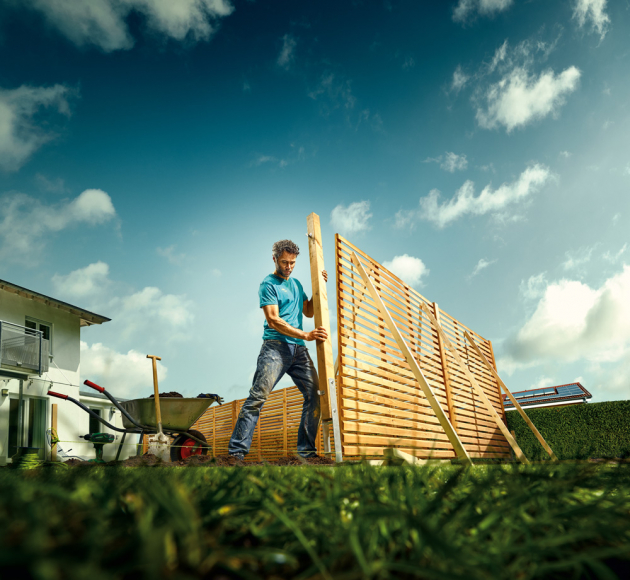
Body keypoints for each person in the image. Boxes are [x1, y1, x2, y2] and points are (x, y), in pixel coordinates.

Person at [228, 239, 328, 460]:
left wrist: (318, 285)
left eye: (292, 263)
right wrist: (306, 335)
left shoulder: (297, 284)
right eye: (284, 262)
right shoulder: (268, 284)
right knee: (258, 397)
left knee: (314, 395)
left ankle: (306, 453)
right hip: (275, 348)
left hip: (299, 351)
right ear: (274, 259)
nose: (288, 267)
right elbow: (273, 320)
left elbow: (309, 312)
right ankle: (235, 455)